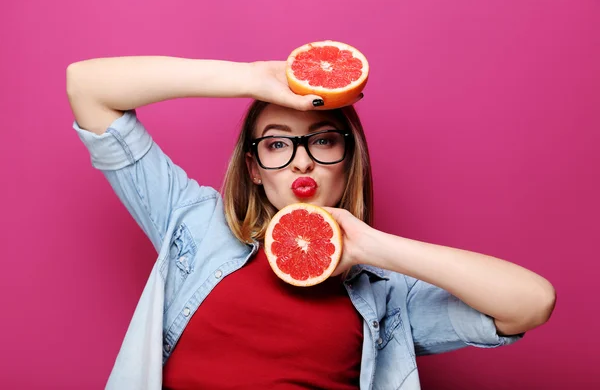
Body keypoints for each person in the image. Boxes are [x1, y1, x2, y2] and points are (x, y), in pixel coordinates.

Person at [66, 56, 556, 390]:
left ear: (349, 159)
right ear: (254, 169)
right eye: (277, 143)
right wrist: (255, 78)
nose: (301, 162)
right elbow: (88, 87)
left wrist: (369, 246)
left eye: (322, 141)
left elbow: (531, 303)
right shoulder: (194, 223)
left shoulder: (387, 292)